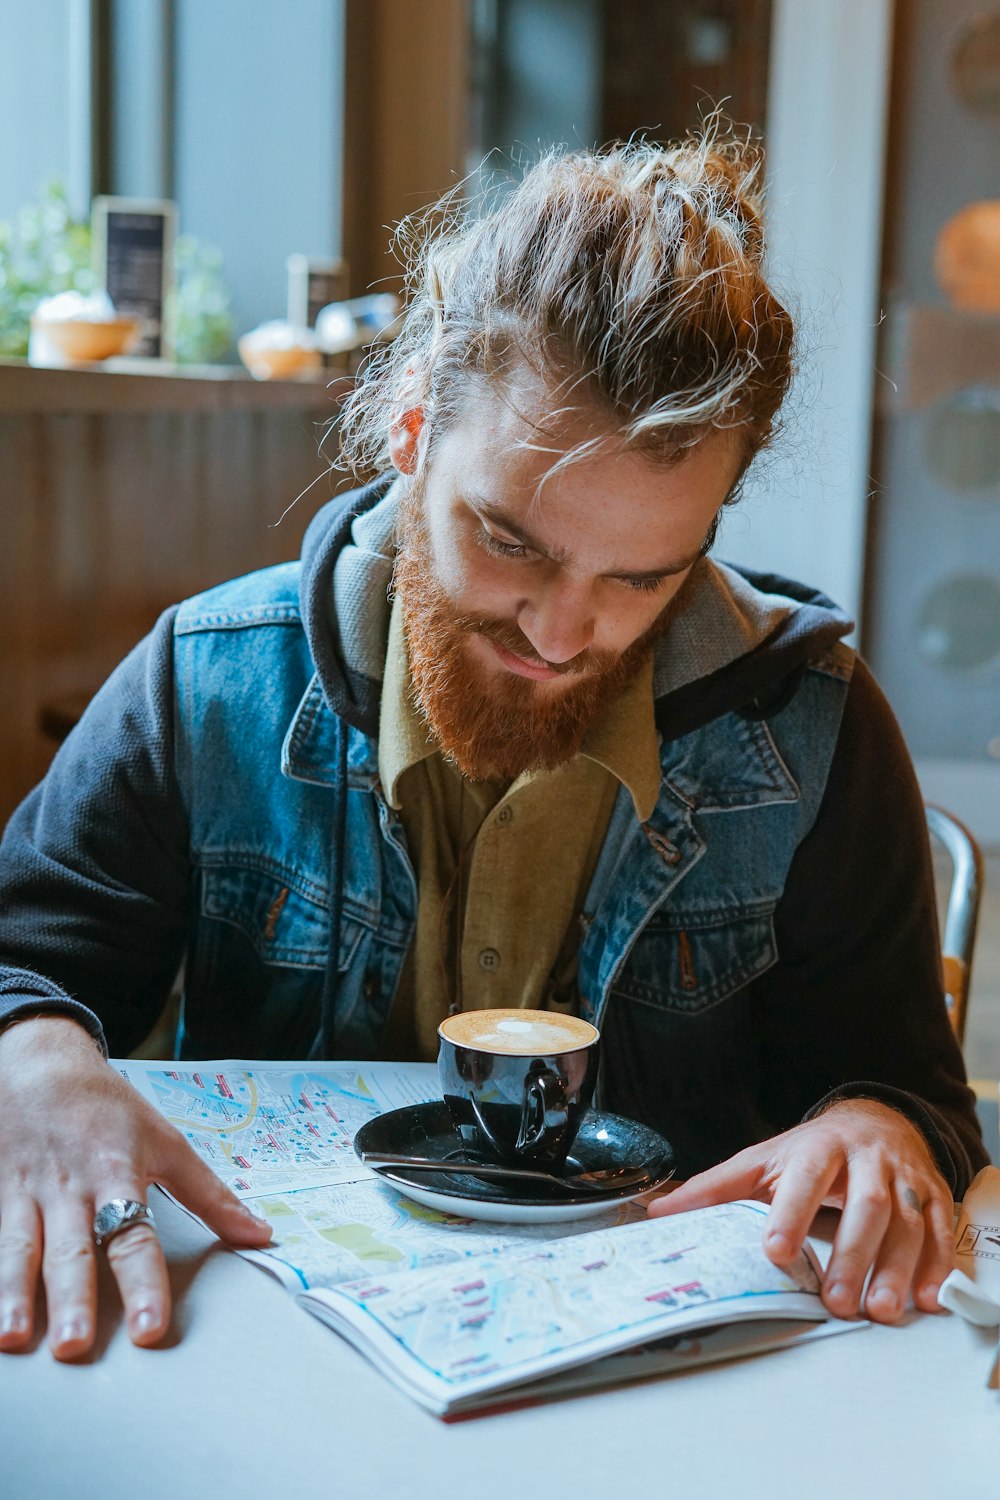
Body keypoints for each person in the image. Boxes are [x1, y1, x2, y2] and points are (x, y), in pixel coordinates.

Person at [0, 133, 986, 1362]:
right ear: (411, 426)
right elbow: (22, 959)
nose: (564, 634)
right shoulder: (209, 682)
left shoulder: (816, 731)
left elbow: (913, 1093)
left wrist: (886, 1128)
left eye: (642, 578)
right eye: (511, 543)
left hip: (671, 1398)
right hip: (268, 1368)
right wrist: (32, 1058)